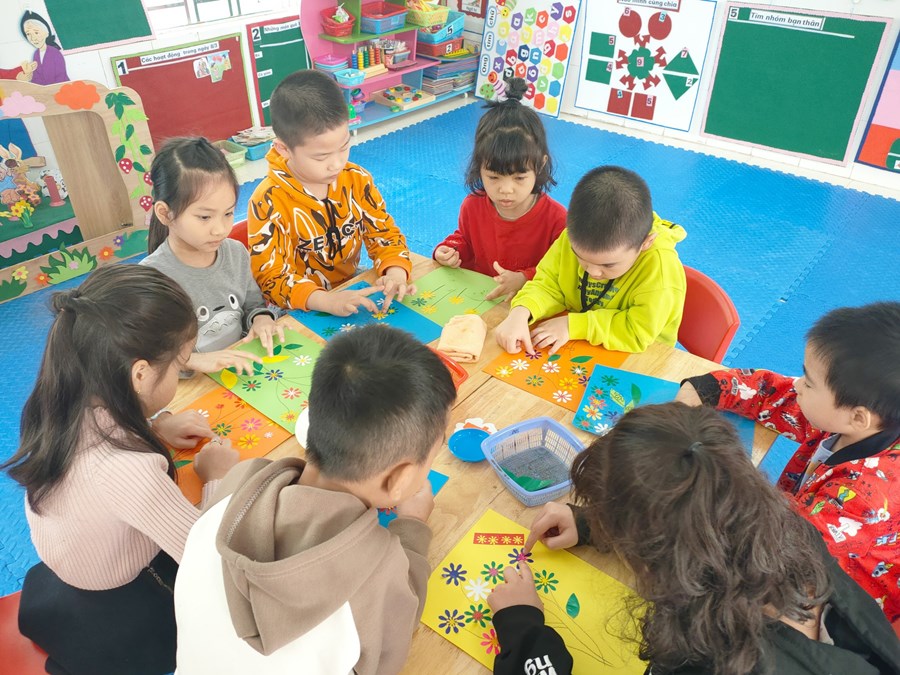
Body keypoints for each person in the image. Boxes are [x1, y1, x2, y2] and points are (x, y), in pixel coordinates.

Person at [489, 403, 900, 675]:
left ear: (652, 556)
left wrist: (522, 628)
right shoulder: (790, 532)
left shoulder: (708, 659)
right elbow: (704, 521)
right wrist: (594, 524)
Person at [174, 325, 456, 673]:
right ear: (398, 479)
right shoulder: (379, 567)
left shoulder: (238, 480)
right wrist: (411, 527)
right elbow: (392, 647)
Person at [2, 265, 239, 675]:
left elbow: (97, 449)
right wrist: (217, 477)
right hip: (120, 601)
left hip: (67, 570)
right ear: (140, 374)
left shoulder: (58, 399)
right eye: (180, 365)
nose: (182, 373)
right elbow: (205, 555)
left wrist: (156, 426)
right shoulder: (130, 471)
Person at [677, 302, 900, 621]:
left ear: (857, 417)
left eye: (808, 382)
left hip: (835, 606)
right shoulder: (855, 419)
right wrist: (705, 389)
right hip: (793, 534)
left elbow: (775, 552)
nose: (797, 384)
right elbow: (774, 393)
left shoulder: (864, 500)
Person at [248, 69, 414, 316]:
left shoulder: (356, 179)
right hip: (297, 304)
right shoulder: (268, 201)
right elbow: (271, 277)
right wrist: (325, 301)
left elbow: (384, 234)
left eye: (344, 146)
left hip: (350, 286)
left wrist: (395, 272)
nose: (337, 164)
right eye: (321, 157)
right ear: (283, 149)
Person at [494, 165, 686, 355]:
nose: (592, 272)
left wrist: (573, 325)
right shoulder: (572, 238)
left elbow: (637, 332)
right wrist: (522, 311)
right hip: (581, 341)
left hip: (642, 356)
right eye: (581, 258)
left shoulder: (660, 269)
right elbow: (549, 284)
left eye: (608, 264)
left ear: (645, 243)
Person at [142, 137, 284, 376]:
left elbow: (253, 305)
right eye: (205, 217)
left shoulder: (236, 253)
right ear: (165, 214)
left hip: (241, 371)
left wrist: (261, 319)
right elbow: (148, 354)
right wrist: (193, 361)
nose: (220, 229)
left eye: (228, 213)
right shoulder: (151, 278)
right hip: (194, 385)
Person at [433, 77, 566, 302]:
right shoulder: (472, 206)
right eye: (493, 177)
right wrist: (448, 251)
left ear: (540, 165)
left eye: (519, 178)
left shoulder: (557, 220)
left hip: (528, 306)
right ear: (479, 166)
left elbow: (562, 271)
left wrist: (524, 278)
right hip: (480, 301)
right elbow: (466, 241)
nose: (505, 189)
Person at [19, 11, 68, 85]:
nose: (33, 38)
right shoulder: (36, 54)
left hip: (60, 88)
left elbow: (61, 77)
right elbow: (36, 77)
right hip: (44, 90)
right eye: (28, 34)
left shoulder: (55, 52)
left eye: (36, 32)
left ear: (46, 33)